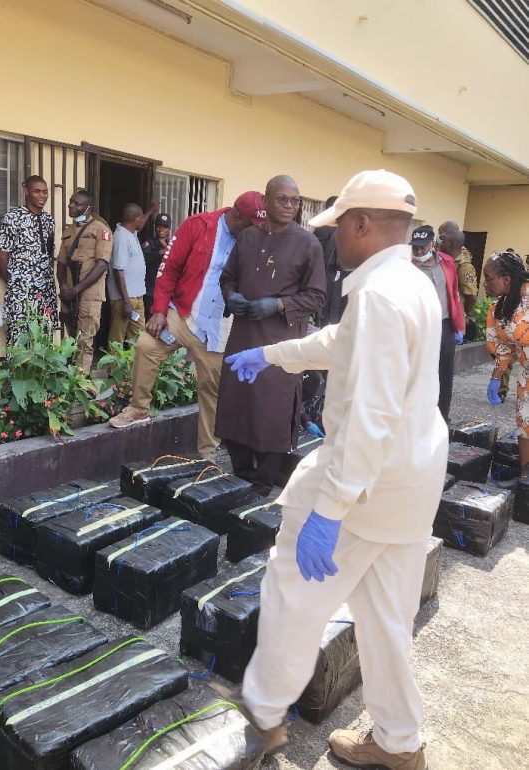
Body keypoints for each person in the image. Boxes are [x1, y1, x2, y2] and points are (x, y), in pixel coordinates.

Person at [224, 170, 447, 770]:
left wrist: (330, 509)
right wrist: (270, 354)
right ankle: (399, 743)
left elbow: (371, 417)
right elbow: (338, 343)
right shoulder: (413, 282)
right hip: (410, 486)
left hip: (366, 487)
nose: (334, 240)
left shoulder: (378, 296)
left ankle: (262, 717)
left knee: (292, 594)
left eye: (339, 227)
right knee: (385, 619)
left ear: (362, 224)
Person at [108, 191, 267, 460]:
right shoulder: (198, 225)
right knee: (147, 346)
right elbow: (168, 268)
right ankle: (139, 408)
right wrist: (159, 310)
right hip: (184, 315)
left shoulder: (254, 241)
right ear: (237, 214)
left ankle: (207, 455)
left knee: (212, 390)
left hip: (218, 328)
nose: (256, 231)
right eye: (252, 224)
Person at [216, 175, 326, 496]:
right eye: (282, 199)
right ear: (265, 201)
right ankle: (241, 474)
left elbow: (316, 296)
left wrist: (278, 304)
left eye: (295, 200)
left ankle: (263, 482)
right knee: (236, 403)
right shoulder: (248, 237)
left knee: (272, 409)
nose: (290, 205)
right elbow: (228, 277)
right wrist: (231, 296)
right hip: (244, 333)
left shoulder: (308, 244)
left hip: (282, 340)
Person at [0, 176, 56, 346]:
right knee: (19, 336)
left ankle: (41, 365)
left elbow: (49, 253)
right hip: (21, 289)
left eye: (45, 192)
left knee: (43, 336)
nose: (42, 196)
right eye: (37, 191)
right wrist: (14, 281)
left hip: (45, 290)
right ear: (26, 191)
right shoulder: (13, 217)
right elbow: (0, 254)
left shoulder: (49, 220)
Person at [411, 225, 464, 422]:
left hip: (445, 325)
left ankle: (442, 418)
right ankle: (419, 418)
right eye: (415, 247)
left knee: (445, 374)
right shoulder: (408, 267)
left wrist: (459, 325)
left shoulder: (447, 262)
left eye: (422, 247)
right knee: (421, 373)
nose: (418, 252)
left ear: (432, 244)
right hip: (420, 328)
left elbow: (454, 294)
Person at [56, 190, 113, 371]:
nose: (71, 206)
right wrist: (64, 287)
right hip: (69, 294)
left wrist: (76, 290)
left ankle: (81, 380)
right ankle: (70, 376)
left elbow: (102, 265)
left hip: (89, 295)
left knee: (85, 340)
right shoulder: (69, 231)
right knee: (71, 339)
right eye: (71, 202)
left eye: (77, 204)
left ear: (89, 208)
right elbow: (61, 263)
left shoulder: (101, 230)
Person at [485, 251, 529, 469]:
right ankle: (525, 475)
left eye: (489, 278)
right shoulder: (499, 308)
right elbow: (504, 346)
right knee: (525, 423)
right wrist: (496, 378)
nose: (485, 284)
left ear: (507, 279)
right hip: (527, 376)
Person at [107, 203, 147, 346]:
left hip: (136, 296)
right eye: (142, 217)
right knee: (117, 336)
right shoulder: (121, 238)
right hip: (124, 299)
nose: (143, 220)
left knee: (138, 336)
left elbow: (140, 225)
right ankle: (113, 361)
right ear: (136, 219)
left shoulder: (131, 233)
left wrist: (150, 210)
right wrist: (126, 302)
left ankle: (136, 361)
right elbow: (119, 271)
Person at [314, 195, 349, 325]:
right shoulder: (343, 228)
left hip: (329, 274)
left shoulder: (322, 227)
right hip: (337, 274)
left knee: (328, 310)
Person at [437, 220, 478, 316]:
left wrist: (464, 314)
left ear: (451, 244)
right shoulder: (445, 259)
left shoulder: (464, 267)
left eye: (442, 239)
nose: (440, 242)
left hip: (455, 316)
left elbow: (471, 297)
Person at [141, 212, 171, 319]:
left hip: (164, 291)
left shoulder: (170, 244)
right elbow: (143, 261)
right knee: (150, 319)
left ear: (169, 229)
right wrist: (159, 253)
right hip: (150, 290)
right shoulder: (149, 243)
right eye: (159, 226)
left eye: (165, 227)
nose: (161, 229)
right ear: (155, 227)